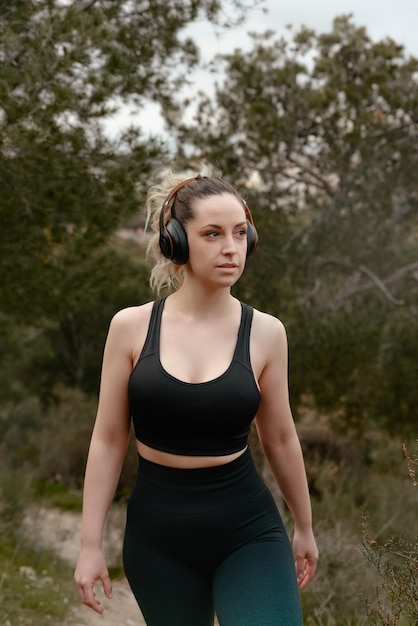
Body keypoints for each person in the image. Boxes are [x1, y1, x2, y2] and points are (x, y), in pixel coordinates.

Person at [74, 165, 319, 626]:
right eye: (212, 234)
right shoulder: (130, 327)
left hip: (248, 530)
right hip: (158, 539)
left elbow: (281, 438)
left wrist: (304, 528)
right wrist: (89, 545)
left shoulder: (266, 332)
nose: (231, 248)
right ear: (176, 243)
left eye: (240, 233)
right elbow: (108, 439)